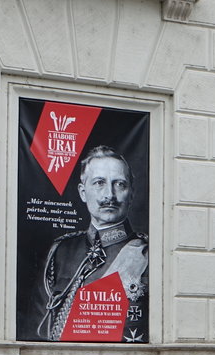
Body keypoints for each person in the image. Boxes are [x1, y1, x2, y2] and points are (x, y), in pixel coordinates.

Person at [32, 146, 148, 342]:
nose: (109, 195)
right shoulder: (60, 251)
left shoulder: (147, 253)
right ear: (83, 192)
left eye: (119, 184)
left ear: (132, 194)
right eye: (99, 183)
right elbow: (38, 323)